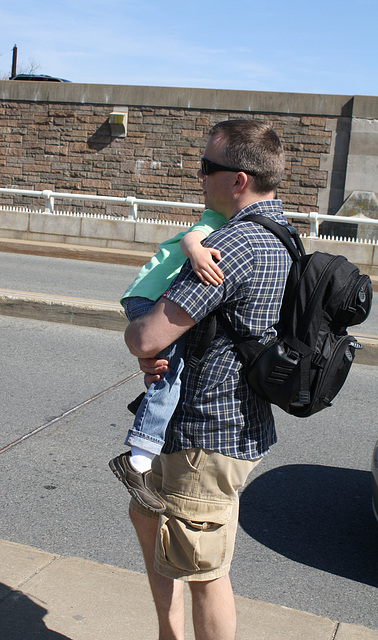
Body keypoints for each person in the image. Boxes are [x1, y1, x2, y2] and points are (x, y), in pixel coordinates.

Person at [123, 119, 291, 640]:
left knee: (204, 573)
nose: (199, 175)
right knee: (149, 519)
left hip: (207, 435)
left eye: (207, 167)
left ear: (238, 179)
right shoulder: (280, 232)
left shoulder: (232, 246)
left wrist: (140, 341)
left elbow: (148, 337)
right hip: (220, 427)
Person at [109, 209, 226, 512]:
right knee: (169, 378)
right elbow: (191, 238)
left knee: (167, 372)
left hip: (145, 295)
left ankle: (143, 453)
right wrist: (198, 254)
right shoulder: (217, 219)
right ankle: (138, 460)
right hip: (151, 299)